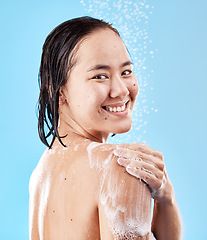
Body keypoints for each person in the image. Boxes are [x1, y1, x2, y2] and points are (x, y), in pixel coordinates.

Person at [29, 16, 182, 240]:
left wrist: (165, 199)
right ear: (58, 91)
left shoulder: (41, 174)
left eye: (126, 72)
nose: (121, 90)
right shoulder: (119, 167)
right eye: (100, 76)